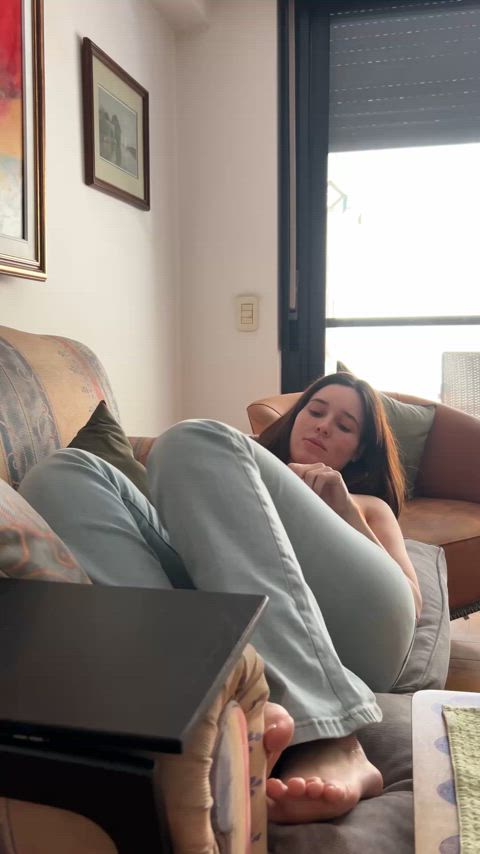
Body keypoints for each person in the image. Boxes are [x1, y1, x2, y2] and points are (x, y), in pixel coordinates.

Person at [19, 372, 419, 825]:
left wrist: (345, 510)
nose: (324, 426)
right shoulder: (226, 474)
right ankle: (198, 707)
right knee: (61, 472)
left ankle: (329, 736)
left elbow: (412, 602)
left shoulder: (368, 504)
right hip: (232, 623)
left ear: (359, 451)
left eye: (344, 426)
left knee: (191, 439)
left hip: (360, 632)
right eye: (316, 411)